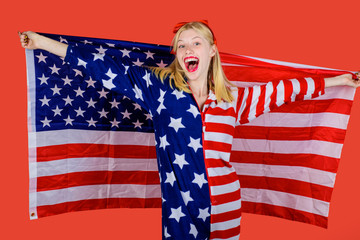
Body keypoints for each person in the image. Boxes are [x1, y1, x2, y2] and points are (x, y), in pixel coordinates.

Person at [19, 21, 359, 240]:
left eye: (195, 43)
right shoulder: (158, 90)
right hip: (181, 216)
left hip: (226, 209)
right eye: (181, 45)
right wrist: (43, 43)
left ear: (212, 51)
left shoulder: (233, 100)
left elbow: (289, 89)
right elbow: (102, 67)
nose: (187, 50)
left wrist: (339, 81)